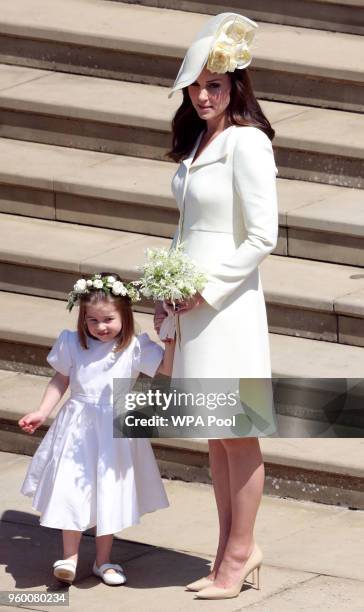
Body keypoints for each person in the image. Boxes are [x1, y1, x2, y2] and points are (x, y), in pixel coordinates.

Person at [154, 12, 279, 600]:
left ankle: (239, 555)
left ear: (235, 88)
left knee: (239, 435)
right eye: (197, 86)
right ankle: (231, 548)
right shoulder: (200, 140)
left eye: (216, 86)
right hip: (193, 309)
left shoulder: (246, 143)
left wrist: (205, 288)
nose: (203, 96)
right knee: (214, 436)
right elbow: (188, 230)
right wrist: (169, 296)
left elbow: (262, 236)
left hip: (228, 310)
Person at [19, 272, 174, 586]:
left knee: (109, 491)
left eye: (108, 319)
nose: (101, 327)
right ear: (82, 318)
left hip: (115, 429)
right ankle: (70, 557)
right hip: (77, 426)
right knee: (71, 488)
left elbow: (165, 370)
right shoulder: (73, 343)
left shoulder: (134, 346)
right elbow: (61, 379)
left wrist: (171, 335)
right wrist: (42, 410)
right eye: (92, 320)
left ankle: (103, 561)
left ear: (125, 315)